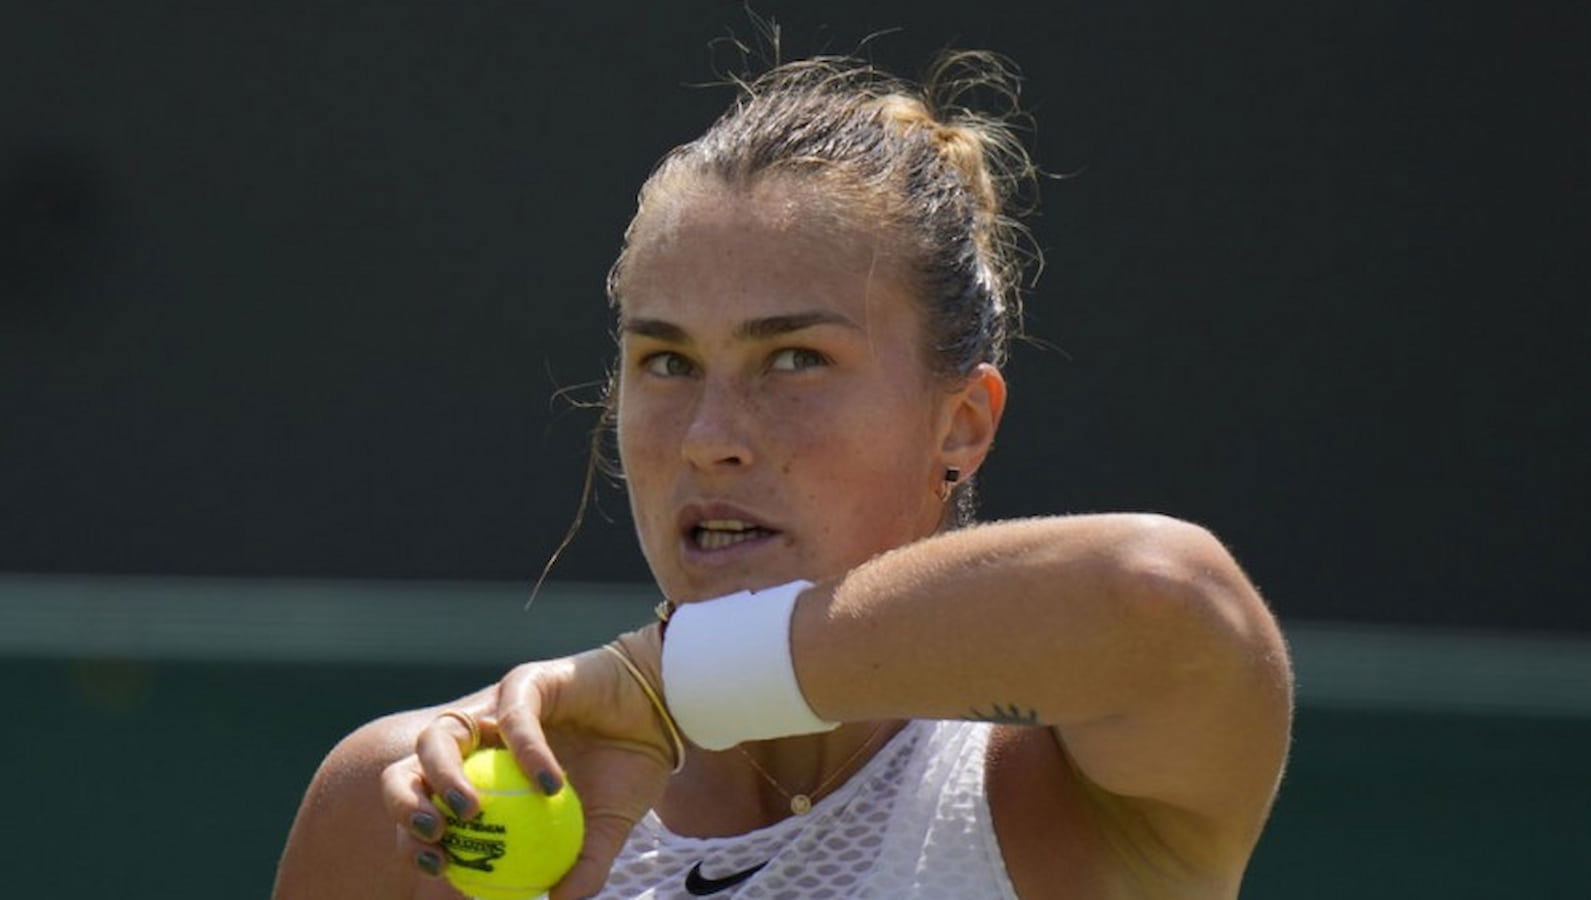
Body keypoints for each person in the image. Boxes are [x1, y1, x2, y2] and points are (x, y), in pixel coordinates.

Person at [274, 51, 1292, 900]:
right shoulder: (407, 808)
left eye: (794, 359)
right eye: (666, 362)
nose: (711, 436)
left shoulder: (1070, 805)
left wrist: (669, 688)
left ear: (962, 424)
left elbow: (1154, 595)